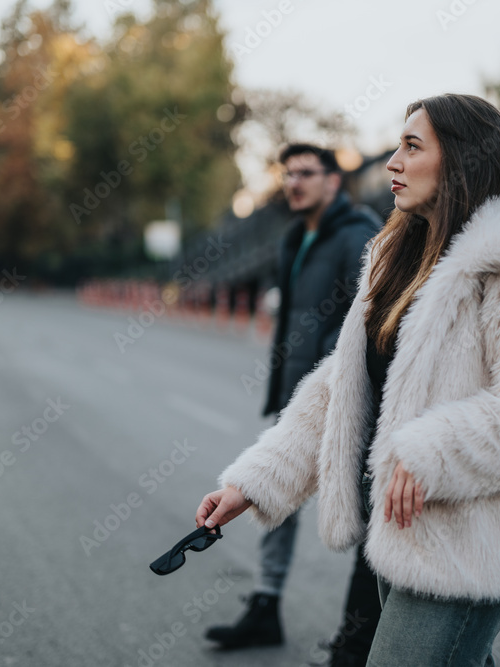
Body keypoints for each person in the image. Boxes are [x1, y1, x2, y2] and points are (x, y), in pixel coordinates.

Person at [197, 94, 500, 666]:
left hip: (473, 550)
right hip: (407, 534)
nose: (391, 163)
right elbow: (344, 388)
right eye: (396, 146)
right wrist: (255, 483)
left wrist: (427, 451)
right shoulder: (397, 260)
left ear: (462, 159)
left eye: (412, 146)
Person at [204, 143, 383, 667]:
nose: (294, 183)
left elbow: (367, 323)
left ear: (334, 182)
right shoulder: (292, 239)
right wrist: (283, 384)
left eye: (306, 173)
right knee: (271, 495)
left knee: (368, 517)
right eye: (288, 174)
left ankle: (361, 641)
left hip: (346, 397)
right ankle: (266, 604)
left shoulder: (359, 237)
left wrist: (332, 383)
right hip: (296, 391)